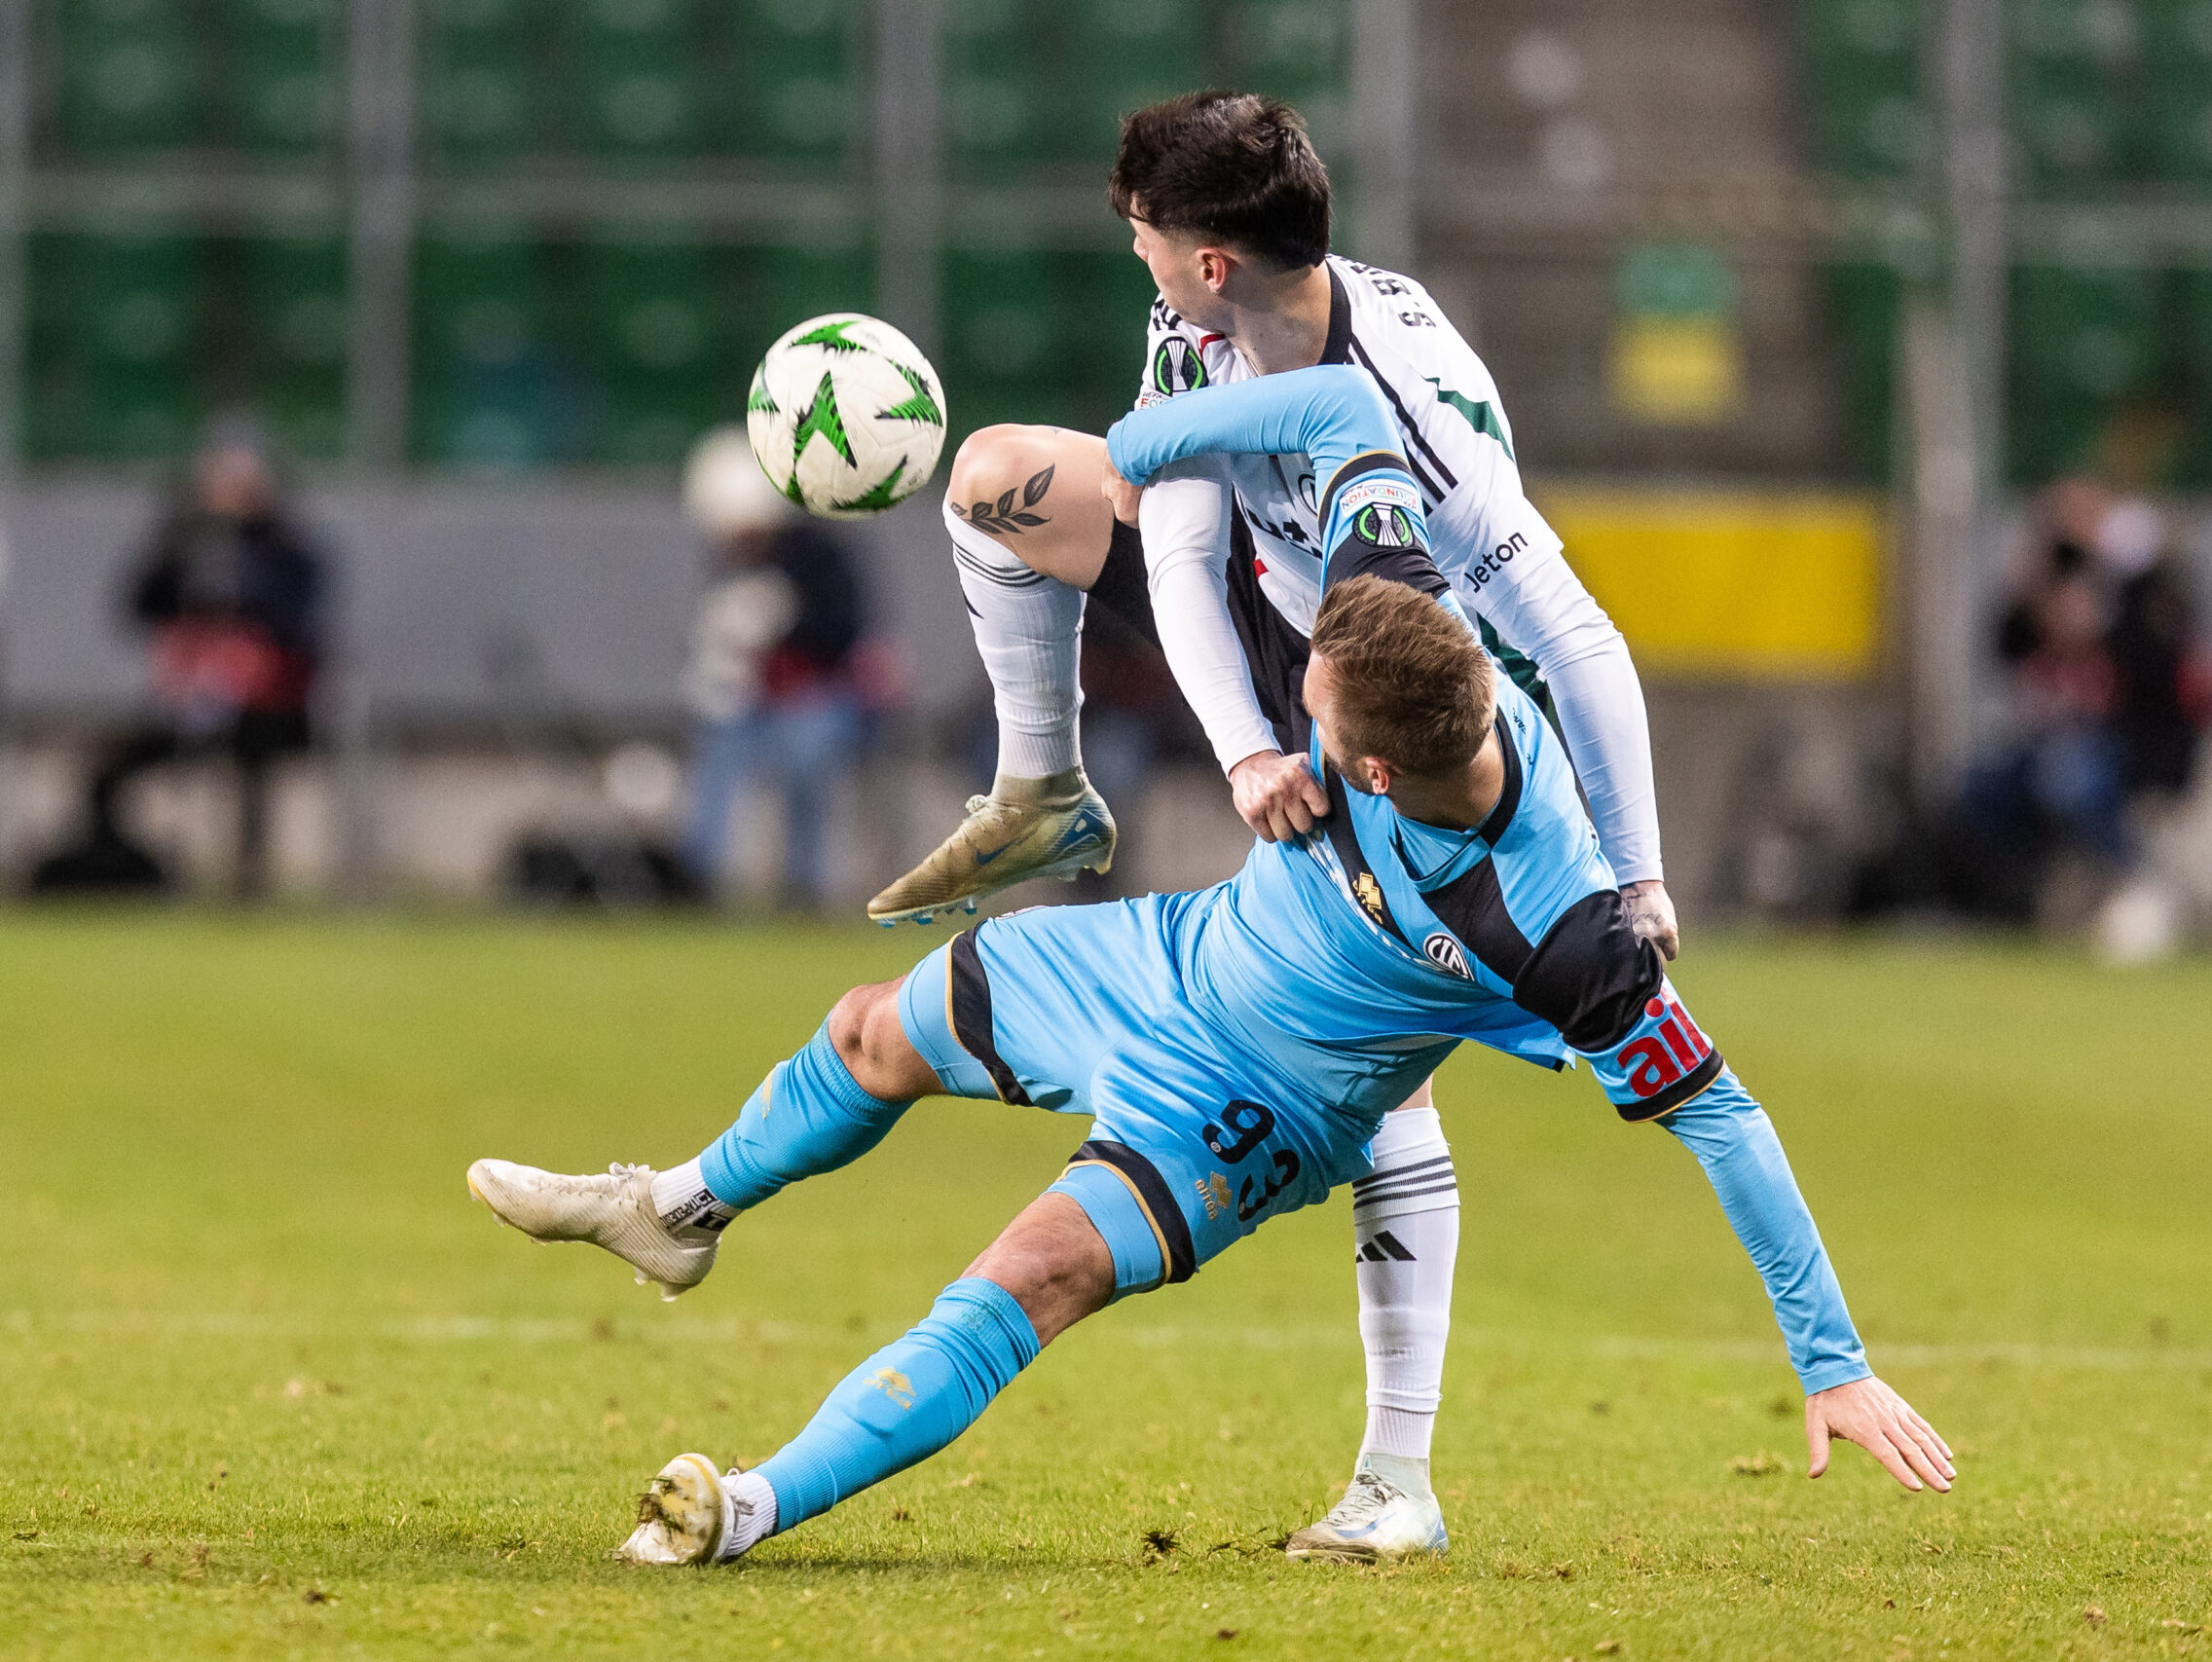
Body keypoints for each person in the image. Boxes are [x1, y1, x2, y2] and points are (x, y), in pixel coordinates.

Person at [467, 369, 1948, 1568]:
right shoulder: (1397, 606)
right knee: (869, 1031)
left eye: (1301, 695)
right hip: (1161, 954)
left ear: (1370, 760)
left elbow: (1724, 1116)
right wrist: (1135, 447)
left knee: (1023, 1272)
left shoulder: (1558, 927)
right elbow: (1333, 416)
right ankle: (677, 1207)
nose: (1279, 683)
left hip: (1248, 1111)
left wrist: (1832, 1359)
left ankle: (746, 1504)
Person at [862, 90, 1674, 1559]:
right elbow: (1175, 540)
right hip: (1278, 623)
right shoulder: (1200, 329)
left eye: (1148, 241)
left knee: (1374, 1056)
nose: (1140, 262)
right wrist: (1242, 748)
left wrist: (1637, 873)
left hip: (1411, 693)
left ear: (1213, 260)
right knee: (993, 478)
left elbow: (1577, 633)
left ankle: (1398, 1477)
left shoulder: (1419, 404)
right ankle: (1043, 790)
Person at [45, 424, 325, 899]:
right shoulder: (181, 541)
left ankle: (248, 883)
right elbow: (139, 604)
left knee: (252, 758)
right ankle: (120, 873)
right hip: (190, 700)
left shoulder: (286, 548)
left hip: (266, 706)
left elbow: (300, 619)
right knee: (107, 768)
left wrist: (246, 603)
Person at [677, 427, 875, 907]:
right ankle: (697, 875)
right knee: (717, 750)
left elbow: (846, 632)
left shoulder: (819, 555)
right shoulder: (732, 562)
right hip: (754, 701)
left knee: (804, 756)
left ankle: (802, 883)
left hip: (819, 695)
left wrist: (787, 623)